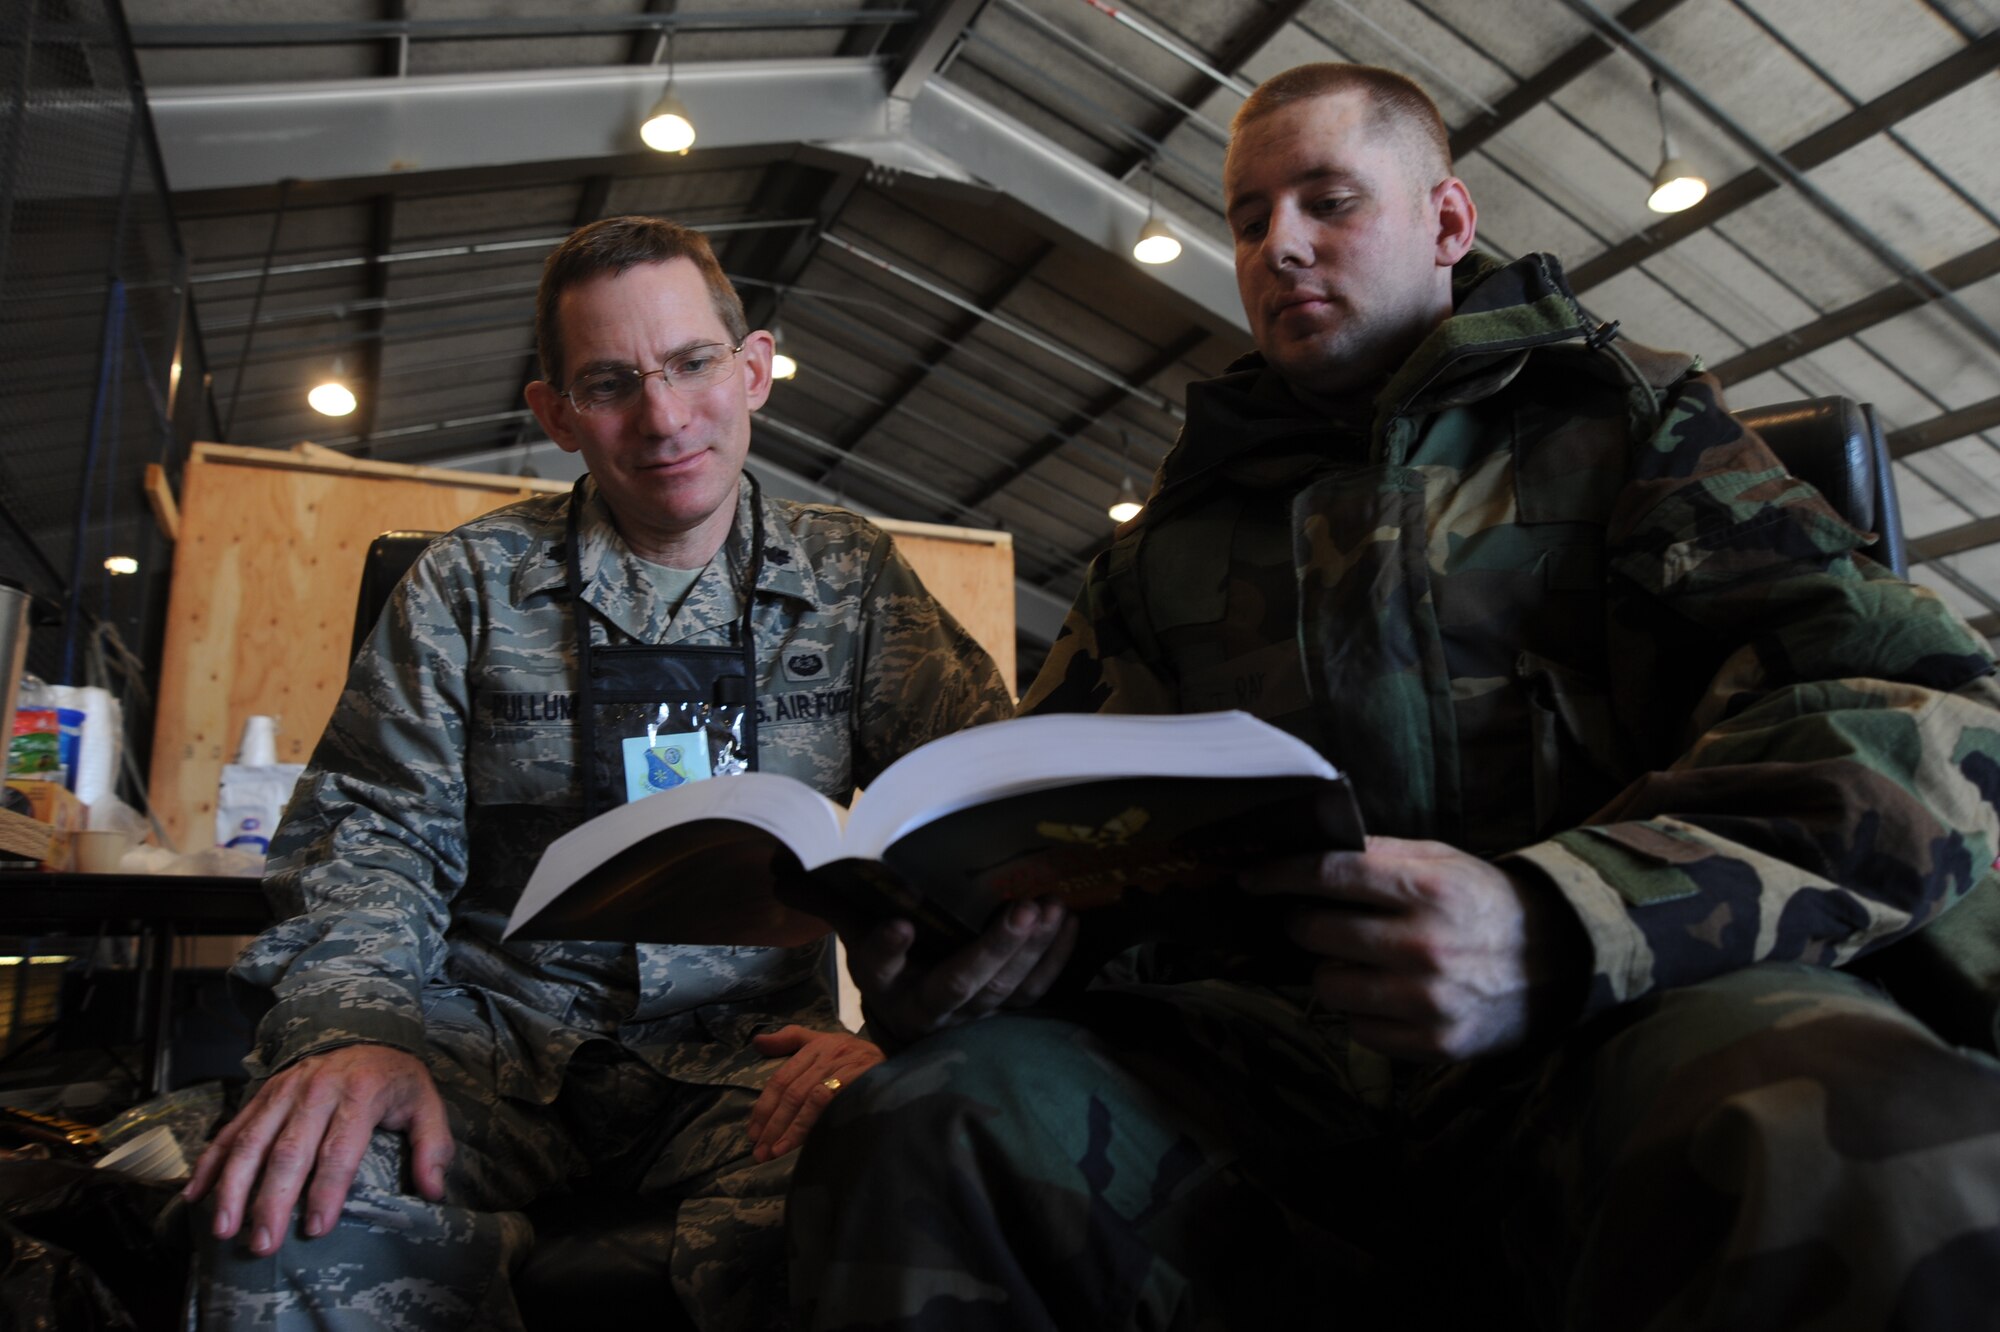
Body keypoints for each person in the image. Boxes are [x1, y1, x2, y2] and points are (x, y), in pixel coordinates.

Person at [787, 64, 2000, 1331]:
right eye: (1250, 220)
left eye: (1327, 201)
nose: (1280, 246)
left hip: (1618, 1019)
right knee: (922, 1129)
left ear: (1446, 221)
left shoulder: (1630, 432)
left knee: (1857, 1135)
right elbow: (1063, 842)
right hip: (1281, 1077)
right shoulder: (1170, 546)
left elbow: (1928, 712)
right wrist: (962, 969)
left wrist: (1552, 916)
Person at [182, 215, 1014, 1330]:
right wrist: (354, 1032)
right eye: (612, 382)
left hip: (746, 1075)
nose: (664, 418)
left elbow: (980, 824)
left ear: (755, 368)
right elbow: (372, 834)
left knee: (929, 1182)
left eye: (691, 365)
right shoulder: (467, 586)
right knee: (283, 1215)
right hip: (482, 1053)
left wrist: (895, 1038)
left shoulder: (851, 583)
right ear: (555, 413)